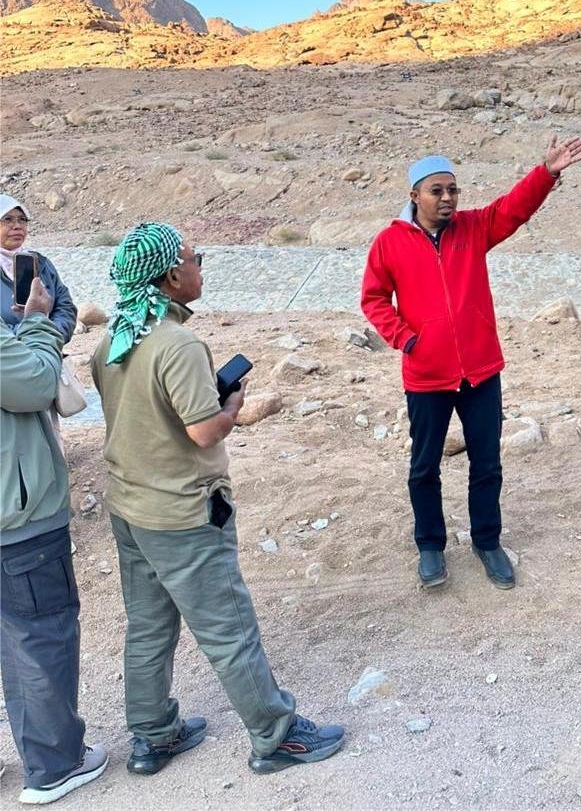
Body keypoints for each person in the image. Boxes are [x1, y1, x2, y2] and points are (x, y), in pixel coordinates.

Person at [90, 223, 344, 777]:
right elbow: (204, 432)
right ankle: (276, 737)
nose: (200, 266)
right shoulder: (178, 345)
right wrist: (231, 406)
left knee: (148, 627)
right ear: (171, 276)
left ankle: (153, 736)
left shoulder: (112, 341)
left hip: (131, 509)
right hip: (183, 514)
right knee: (229, 630)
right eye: (194, 258)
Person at [361, 136, 581, 590]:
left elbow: (513, 209)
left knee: (487, 463)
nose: (447, 198)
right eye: (437, 191)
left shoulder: (473, 228)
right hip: (426, 375)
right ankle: (430, 546)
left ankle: (487, 541)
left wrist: (546, 173)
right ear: (415, 195)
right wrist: (407, 339)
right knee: (424, 466)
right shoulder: (390, 243)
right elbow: (373, 299)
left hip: (481, 371)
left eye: (453, 190)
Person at [1, 277, 108, 805]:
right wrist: (38, 322)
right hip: (17, 518)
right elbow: (37, 384)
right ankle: (55, 766)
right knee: (40, 635)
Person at [0, 195, 77, 343]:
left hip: (46, 348)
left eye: (22, 219)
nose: (17, 226)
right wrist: (35, 333)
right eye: (7, 219)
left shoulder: (41, 263)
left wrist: (52, 335)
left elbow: (65, 306)